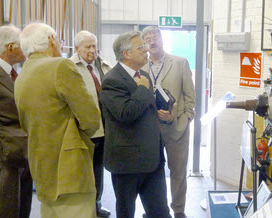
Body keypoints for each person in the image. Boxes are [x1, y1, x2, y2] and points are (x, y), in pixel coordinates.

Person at [14, 23, 100, 218]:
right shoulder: (61, 66)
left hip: (42, 167)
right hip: (70, 171)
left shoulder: (21, 75)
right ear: (51, 40)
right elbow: (91, 119)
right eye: (59, 40)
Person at [100, 31, 171, 218]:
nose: (146, 50)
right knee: (126, 212)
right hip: (127, 162)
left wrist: (165, 111)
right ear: (127, 54)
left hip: (153, 160)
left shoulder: (143, 74)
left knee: (161, 212)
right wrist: (141, 88)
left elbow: (147, 109)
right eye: (141, 47)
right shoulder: (111, 80)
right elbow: (125, 114)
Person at [142, 26, 195, 218]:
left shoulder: (180, 63)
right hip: (151, 131)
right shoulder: (140, 68)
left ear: (162, 39)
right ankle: (157, 210)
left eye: (155, 37)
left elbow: (190, 95)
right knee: (153, 174)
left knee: (178, 172)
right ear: (144, 45)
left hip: (176, 128)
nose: (152, 41)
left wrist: (185, 118)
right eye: (147, 39)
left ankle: (179, 209)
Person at [70, 30, 111, 217]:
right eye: (88, 46)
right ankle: (83, 209)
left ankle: (96, 205)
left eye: (94, 46)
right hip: (82, 131)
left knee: (98, 170)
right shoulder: (68, 67)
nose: (92, 50)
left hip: (103, 129)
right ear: (77, 48)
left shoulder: (103, 66)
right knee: (81, 172)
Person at [0, 25, 33, 218]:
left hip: (22, 151)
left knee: (22, 204)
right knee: (7, 205)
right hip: (5, 153)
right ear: (10, 47)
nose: (26, 50)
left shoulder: (13, 74)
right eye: (23, 45)